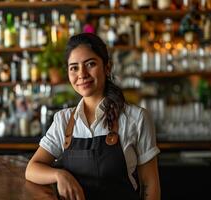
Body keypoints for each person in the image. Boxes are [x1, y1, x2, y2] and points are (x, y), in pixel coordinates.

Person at [25, 33, 161, 200]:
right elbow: (32, 169)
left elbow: (150, 184)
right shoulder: (63, 120)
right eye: (74, 67)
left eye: (90, 64)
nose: (82, 74)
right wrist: (59, 175)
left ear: (107, 67)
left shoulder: (136, 118)